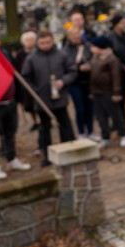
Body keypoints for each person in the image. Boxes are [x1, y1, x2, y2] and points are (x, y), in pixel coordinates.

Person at [22, 29, 78, 166]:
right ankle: (47, 155)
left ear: (52, 41)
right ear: (37, 43)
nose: (45, 45)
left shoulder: (62, 55)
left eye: (48, 42)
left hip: (60, 98)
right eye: (42, 43)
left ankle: (68, 151)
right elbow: (26, 78)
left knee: (65, 125)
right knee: (44, 128)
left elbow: (72, 70)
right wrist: (36, 91)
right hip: (42, 100)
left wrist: (63, 81)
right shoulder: (31, 58)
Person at [0, 27, 31, 179]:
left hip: (10, 101)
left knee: (9, 132)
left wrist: (19, 97)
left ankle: (11, 158)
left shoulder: (5, 52)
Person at [88, 36, 125, 147]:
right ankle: (105, 136)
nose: (91, 48)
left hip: (108, 91)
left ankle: (123, 134)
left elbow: (116, 76)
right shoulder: (95, 57)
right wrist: (92, 91)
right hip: (97, 91)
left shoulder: (111, 59)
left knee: (115, 114)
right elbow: (93, 74)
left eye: (94, 46)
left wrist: (116, 92)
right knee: (101, 116)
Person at [62, 25, 94, 138]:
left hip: (88, 80)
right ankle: (81, 132)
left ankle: (91, 131)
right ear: (69, 36)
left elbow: (92, 57)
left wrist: (90, 65)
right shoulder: (66, 50)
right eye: (74, 35)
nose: (76, 37)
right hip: (75, 82)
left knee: (90, 107)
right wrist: (78, 68)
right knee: (80, 107)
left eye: (78, 34)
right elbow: (66, 66)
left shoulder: (87, 46)